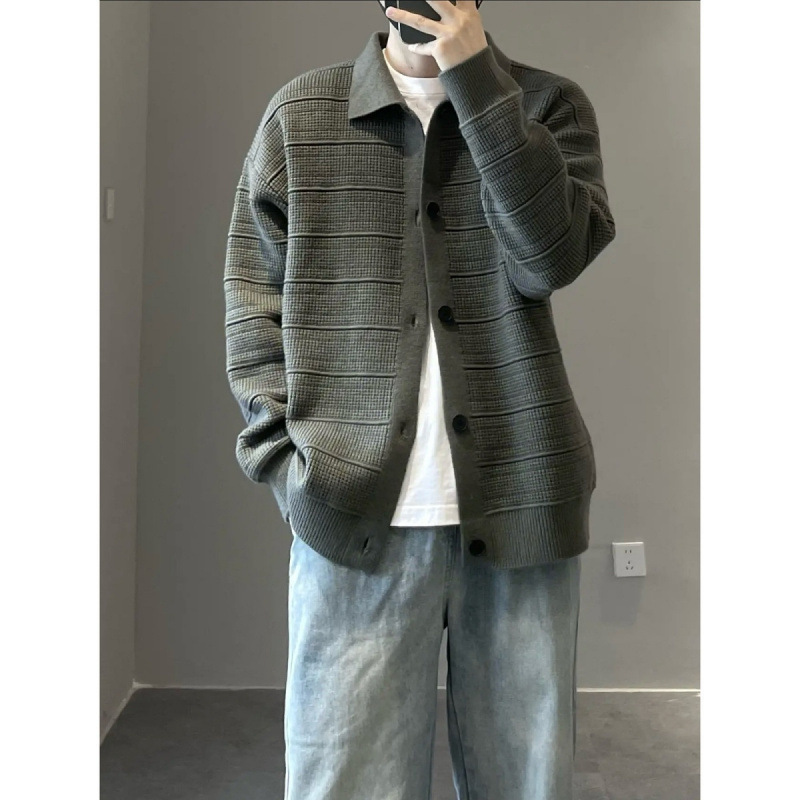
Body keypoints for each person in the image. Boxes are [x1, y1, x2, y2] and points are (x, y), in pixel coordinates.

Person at [223, 2, 616, 798]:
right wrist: (287, 465)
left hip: (521, 510)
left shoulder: (547, 105)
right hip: (350, 515)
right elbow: (252, 300)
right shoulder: (303, 115)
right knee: (344, 784)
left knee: (526, 785)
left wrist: (478, 81)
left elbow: (549, 257)